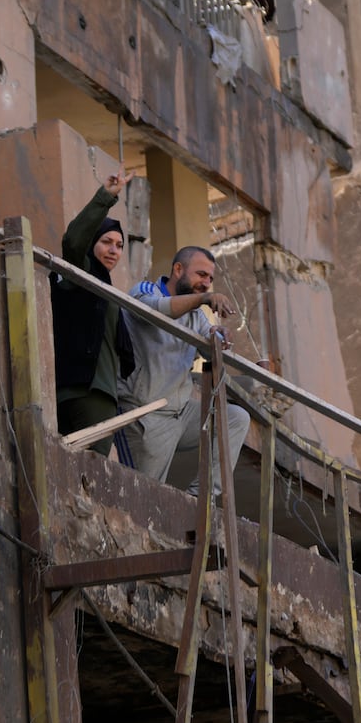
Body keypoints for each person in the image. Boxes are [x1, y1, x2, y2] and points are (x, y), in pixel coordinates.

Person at [119, 245, 250, 494]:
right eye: (201, 274)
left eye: (210, 278)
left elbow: (208, 348)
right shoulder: (145, 290)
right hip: (146, 416)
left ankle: (201, 497)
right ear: (178, 269)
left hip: (180, 413)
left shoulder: (195, 315)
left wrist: (218, 336)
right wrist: (203, 300)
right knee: (143, 497)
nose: (207, 283)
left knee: (235, 418)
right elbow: (156, 311)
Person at [52, 172, 136, 455]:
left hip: (91, 392)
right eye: (106, 242)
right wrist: (106, 197)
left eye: (119, 245)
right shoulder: (82, 272)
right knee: (91, 473)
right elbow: (73, 241)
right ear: (92, 244)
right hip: (89, 394)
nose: (114, 250)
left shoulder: (104, 286)